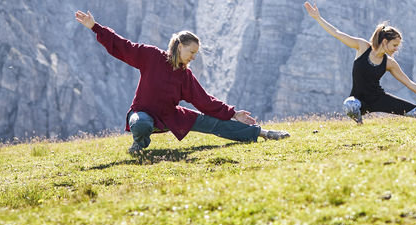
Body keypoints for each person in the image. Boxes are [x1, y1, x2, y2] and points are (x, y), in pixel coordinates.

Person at [75, 10, 289, 154]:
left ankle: (264, 133)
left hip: (171, 116)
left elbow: (206, 102)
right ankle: (139, 144)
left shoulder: (185, 75)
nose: (193, 57)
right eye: (191, 52)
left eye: (196, 53)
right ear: (179, 46)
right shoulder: (151, 56)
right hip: (142, 113)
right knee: (140, 124)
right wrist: (95, 27)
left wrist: (233, 113)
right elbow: (123, 46)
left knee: (214, 124)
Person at [303, 2, 416, 123]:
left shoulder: (389, 63)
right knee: (349, 105)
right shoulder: (362, 47)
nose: (396, 49)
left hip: (380, 99)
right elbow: (337, 33)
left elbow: (409, 83)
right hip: (359, 101)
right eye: (394, 45)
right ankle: (360, 127)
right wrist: (318, 18)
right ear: (385, 42)